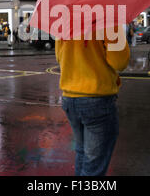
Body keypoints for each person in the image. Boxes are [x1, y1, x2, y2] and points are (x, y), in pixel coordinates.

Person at [55, 27, 130, 176]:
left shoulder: (65, 21)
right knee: (94, 165)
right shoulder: (107, 19)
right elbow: (120, 62)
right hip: (97, 98)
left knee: (83, 153)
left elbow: (59, 57)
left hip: (70, 97)